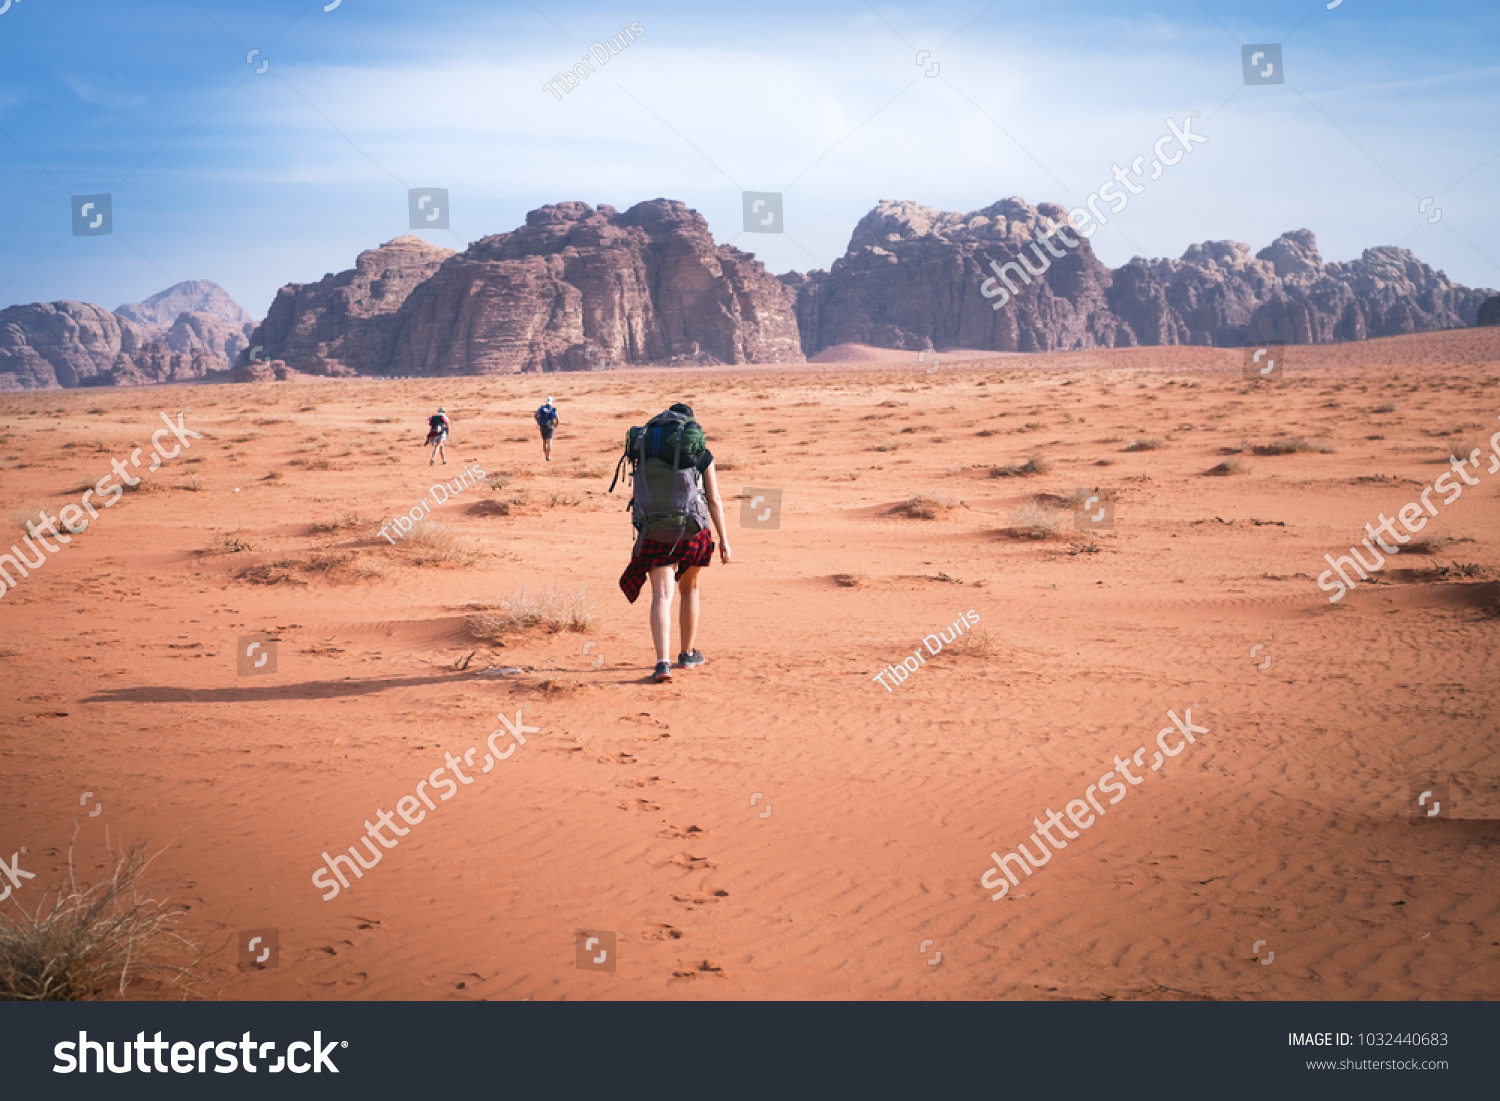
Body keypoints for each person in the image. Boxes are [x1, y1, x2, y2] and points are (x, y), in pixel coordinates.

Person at [616, 403, 732, 683]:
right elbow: (714, 499)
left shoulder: (645, 450)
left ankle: (662, 663)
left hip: (655, 531)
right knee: (689, 589)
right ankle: (688, 653)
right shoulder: (699, 451)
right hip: (692, 531)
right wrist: (725, 540)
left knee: (660, 596)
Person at [535, 397, 559, 461]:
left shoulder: (541, 408)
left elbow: (535, 415)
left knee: (544, 442)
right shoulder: (554, 409)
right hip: (550, 426)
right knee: (549, 441)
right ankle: (548, 456)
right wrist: (556, 425)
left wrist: (538, 421)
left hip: (542, 426)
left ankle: (546, 455)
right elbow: (557, 419)